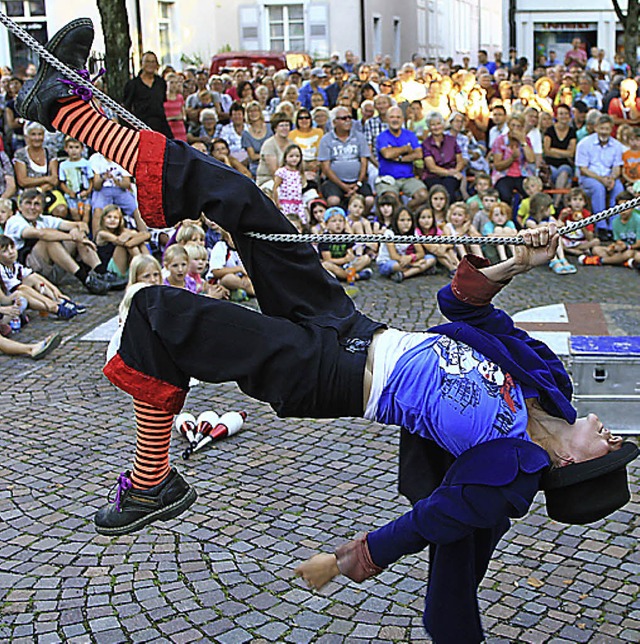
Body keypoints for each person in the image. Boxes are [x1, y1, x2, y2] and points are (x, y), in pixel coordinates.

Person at [17, 23, 639, 633]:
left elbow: (434, 521)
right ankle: (67, 109)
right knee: (241, 196)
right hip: (348, 323)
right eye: (617, 443)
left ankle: (149, 483)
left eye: (607, 451)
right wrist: (515, 265)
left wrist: (345, 562)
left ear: (568, 466)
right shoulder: (548, 382)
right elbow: (463, 309)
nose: (611, 436)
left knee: (159, 311)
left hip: (325, 375)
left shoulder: (509, 471)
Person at [3, 188, 113, 294]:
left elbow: (80, 224)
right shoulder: (15, 221)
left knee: (74, 230)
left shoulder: (43, 219)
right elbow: (39, 234)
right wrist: (72, 237)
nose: (32, 207)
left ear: (41, 208)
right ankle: (86, 279)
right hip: (27, 273)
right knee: (48, 241)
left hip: (50, 268)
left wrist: (79, 232)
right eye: (28, 203)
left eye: (36, 204)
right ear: (20, 206)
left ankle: (101, 271)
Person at [576, 114, 624, 236]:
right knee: (598, 188)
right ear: (596, 128)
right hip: (590, 177)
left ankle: (614, 225)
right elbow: (583, 169)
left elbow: (617, 167)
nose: (604, 132)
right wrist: (601, 180)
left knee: (619, 188)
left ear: (611, 129)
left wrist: (612, 179)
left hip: (608, 177)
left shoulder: (617, 146)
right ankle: (601, 225)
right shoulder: (585, 143)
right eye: (601, 128)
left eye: (607, 129)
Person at [318, 106, 373, 211]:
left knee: (369, 200)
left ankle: (360, 220)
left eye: (349, 117)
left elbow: (364, 162)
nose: (348, 120)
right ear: (334, 122)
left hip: (357, 181)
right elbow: (326, 167)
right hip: (335, 182)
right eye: (343, 118)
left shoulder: (359, 137)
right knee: (333, 200)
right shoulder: (326, 139)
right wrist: (343, 186)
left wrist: (358, 183)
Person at [375, 106, 428, 211]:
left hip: (408, 178)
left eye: (398, 117)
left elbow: (418, 154)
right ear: (386, 119)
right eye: (392, 117)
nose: (395, 120)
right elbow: (387, 154)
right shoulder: (382, 136)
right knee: (391, 198)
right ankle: (400, 217)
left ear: (403, 119)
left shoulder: (410, 135)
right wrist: (406, 149)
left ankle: (405, 211)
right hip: (387, 178)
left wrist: (399, 158)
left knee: (423, 195)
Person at [376, 206, 435, 282]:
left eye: (409, 220)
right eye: (402, 220)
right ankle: (418, 270)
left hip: (408, 260)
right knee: (395, 265)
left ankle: (404, 275)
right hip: (389, 262)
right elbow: (393, 256)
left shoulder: (414, 232)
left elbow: (421, 253)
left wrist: (411, 257)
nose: (406, 223)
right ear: (396, 221)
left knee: (431, 258)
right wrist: (414, 264)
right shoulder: (389, 233)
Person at [123, 51, 173, 138]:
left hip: (160, 126)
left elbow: (162, 102)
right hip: (141, 126)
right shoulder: (133, 84)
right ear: (142, 64)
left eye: (153, 62)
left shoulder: (161, 83)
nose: (150, 64)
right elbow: (127, 106)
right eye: (147, 61)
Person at [58, 136, 93, 224]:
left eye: (77, 147)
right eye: (71, 147)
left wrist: (88, 191)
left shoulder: (86, 163)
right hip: (71, 196)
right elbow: (62, 182)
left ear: (82, 149)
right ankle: (79, 228)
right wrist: (69, 192)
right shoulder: (63, 165)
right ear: (66, 149)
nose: (74, 150)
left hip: (85, 194)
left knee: (86, 210)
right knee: (74, 212)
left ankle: (85, 229)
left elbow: (91, 180)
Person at [273, 143, 306, 230]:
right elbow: (275, 188)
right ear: (285, 158)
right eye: (291, 156)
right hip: (285, 204)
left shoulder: (299, 172)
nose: (294, 158)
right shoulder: (282, 172)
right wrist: (277, 203)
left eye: (297, 156)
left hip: (297, 204)